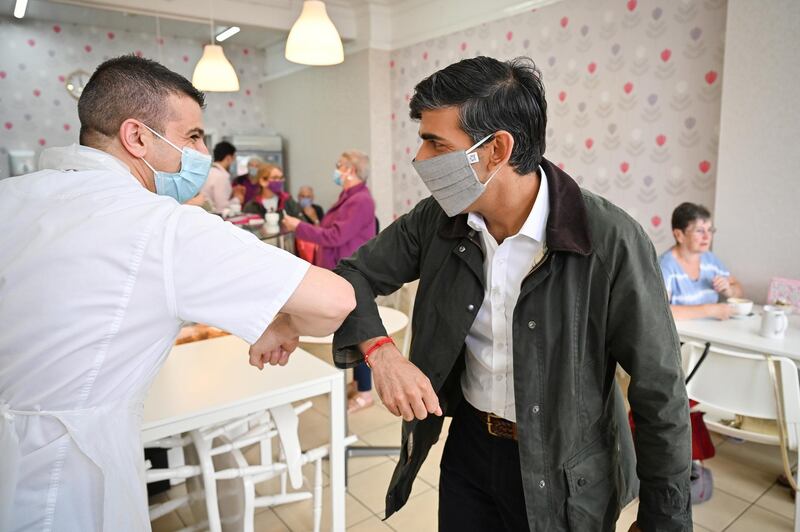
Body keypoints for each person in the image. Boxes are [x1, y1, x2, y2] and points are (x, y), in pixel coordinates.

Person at [330, 56, 691, 531]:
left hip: (567, 470)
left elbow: (659, 388)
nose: (419, 160)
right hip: (471, 450)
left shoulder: (609, 241)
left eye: (435, 143)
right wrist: (383, 354)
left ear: (497, 148)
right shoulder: (437, 220)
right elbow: (353, 275)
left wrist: (664, 519)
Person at [0, 55, 355, 532]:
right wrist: (283, 322)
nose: (202, 151)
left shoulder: (14, 197)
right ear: (137, 137)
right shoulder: (160, 226)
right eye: (191, 137)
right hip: (63, 488)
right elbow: (335, 299)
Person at [282, 151, 377, 412]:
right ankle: (358, 384)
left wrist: (298, 227)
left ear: (351, 169)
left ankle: (366, 391)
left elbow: (334, 236)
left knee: (358, 330)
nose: (336, 170)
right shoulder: (348, 198)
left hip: (353, 275)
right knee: (348, 330)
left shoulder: (361, 201)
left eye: (340, 166)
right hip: (339, 272)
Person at [660, 202, 743, 321]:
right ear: (679, 235)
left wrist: (728, 290)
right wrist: (710, 310)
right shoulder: (665, 266)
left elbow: (739, 291)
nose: (707, 237)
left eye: (709, 230)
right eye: (699, 231)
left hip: (711, 333)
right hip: (684, 338)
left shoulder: (710, 260)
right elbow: (660, 311)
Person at [199, 140, 239, 212]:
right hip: (213, 215)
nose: (233, 162)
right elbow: (222, 207)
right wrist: (237, 199)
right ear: (228, 158)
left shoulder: (208, 171)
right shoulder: (221, 176)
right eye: (234, 158)